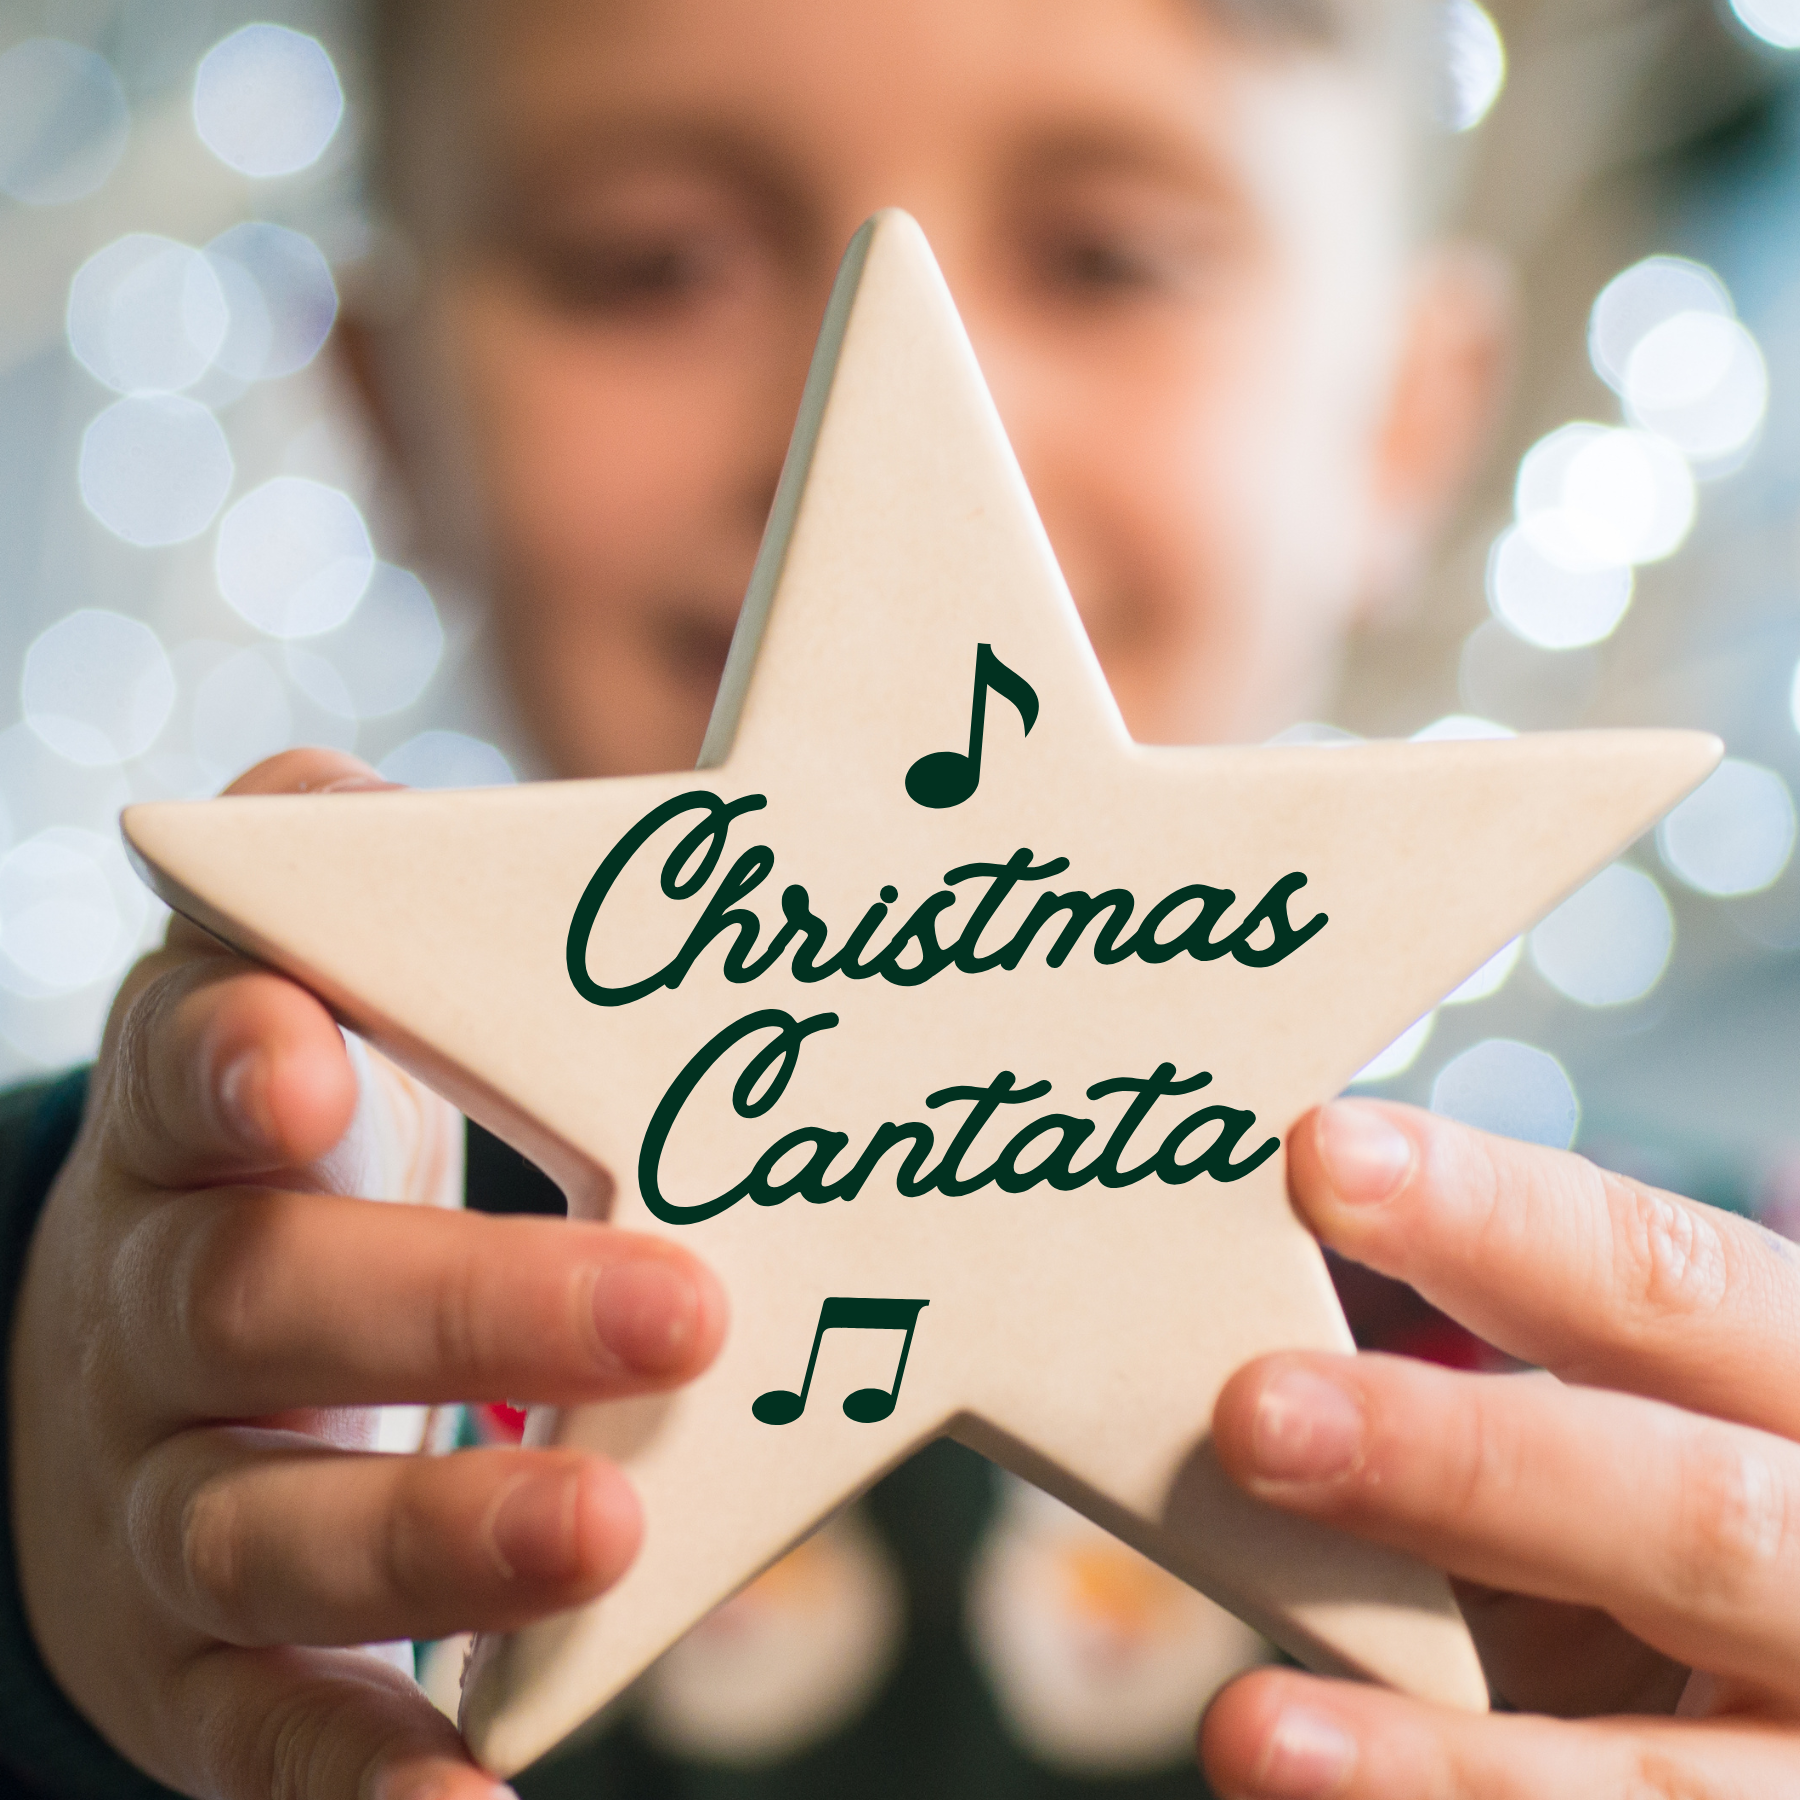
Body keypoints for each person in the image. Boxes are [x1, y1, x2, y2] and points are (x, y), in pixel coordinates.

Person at [10, 2, 1798, 1796]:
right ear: (391, 412)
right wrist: (52, 1515)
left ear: (1410, 419)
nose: (875, 414)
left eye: (1109, 259)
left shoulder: (1683, 1368)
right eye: (647, 264)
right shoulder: (201, 1283)